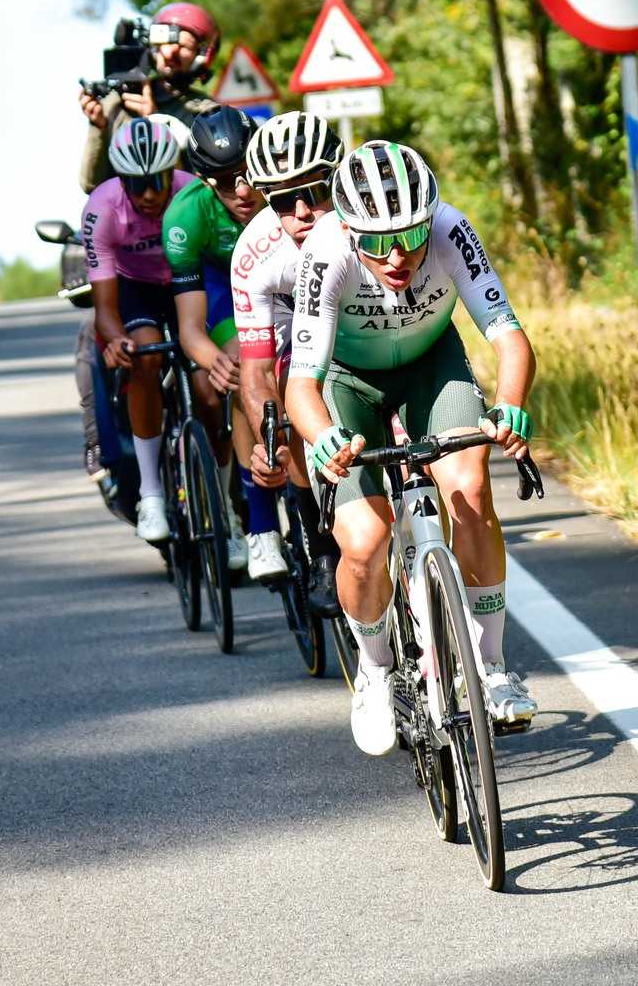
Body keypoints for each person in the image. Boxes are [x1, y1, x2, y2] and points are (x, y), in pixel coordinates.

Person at [284, 142, 539, 756]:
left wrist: (508, 407)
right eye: (375, 242)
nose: (396, 255)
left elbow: (510, 339)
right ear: (348, 229)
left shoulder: (452, 229)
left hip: (432, 365)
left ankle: (494, 668)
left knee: (471, 492)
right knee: (366, 541)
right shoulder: (324, 253)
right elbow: (300, 385)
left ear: (431, 218)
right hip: (348, 383)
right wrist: (324, 441)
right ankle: (374, 673)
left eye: (411, 235)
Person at [229, 111, 347, 597]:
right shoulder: (255, 254)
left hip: (356, 327)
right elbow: (255, 373)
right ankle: (317, 539)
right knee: (282, 406)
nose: (302, 211)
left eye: (316, 192)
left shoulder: (368, 224)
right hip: (289, 337)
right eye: (282, 200)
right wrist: (272, 442)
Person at [164, 105, 269, 576]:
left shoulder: (285, 185)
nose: (243, 191)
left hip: (279, 272)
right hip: (223, 283)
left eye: (248, 174)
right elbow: (189, 326)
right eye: (226, 181)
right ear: (205, 181)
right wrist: (211, 359)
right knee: (245, 366)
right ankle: (255, 522)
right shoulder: (185, 217)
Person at [81, 114, 195, 543]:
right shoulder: (101, 209)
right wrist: (118, 339)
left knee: (207, 383)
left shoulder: (192, 193)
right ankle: (150, 494)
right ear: (120, 180)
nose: (148, 195)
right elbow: (105, 309)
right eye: (136, 184)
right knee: (145, 359)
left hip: (187, 280)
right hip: (134, 288)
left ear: (172, 173)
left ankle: (227, 510)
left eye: (157, 182)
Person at [76, 3, 223, 193]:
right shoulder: (117, 102)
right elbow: (91, 185)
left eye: (184, 46)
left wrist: (155, 123)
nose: (170, 52)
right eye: (167, 40)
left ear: (203, 55)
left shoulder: (206, 114)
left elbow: (207, 188)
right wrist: (98, 126)